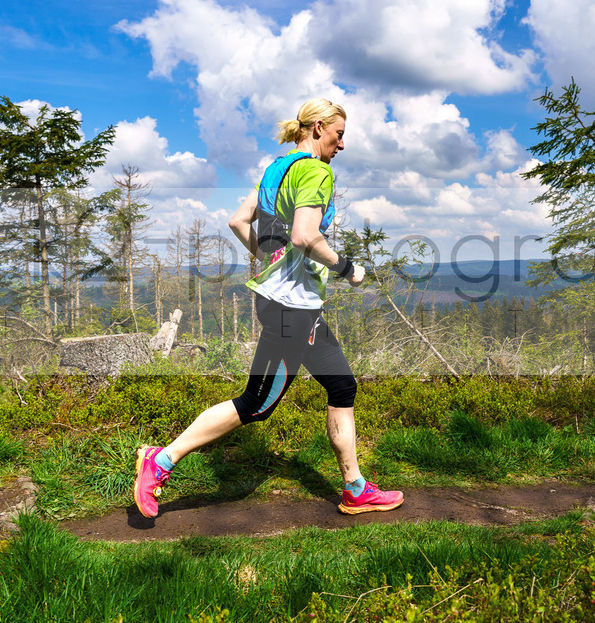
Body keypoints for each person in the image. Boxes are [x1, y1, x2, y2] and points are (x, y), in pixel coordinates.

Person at [133, 98, 404, 519]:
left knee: (342, 386)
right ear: (317, 128)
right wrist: (349, 268)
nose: (342, 144)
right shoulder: (316, 170)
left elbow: (239, 221)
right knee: (256, 404)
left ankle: (355, 488)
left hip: (288, 304)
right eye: (339, 134)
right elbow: (304, 236)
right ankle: (161, 460)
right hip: (290, 310)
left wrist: (266, 258)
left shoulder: (277, 168)